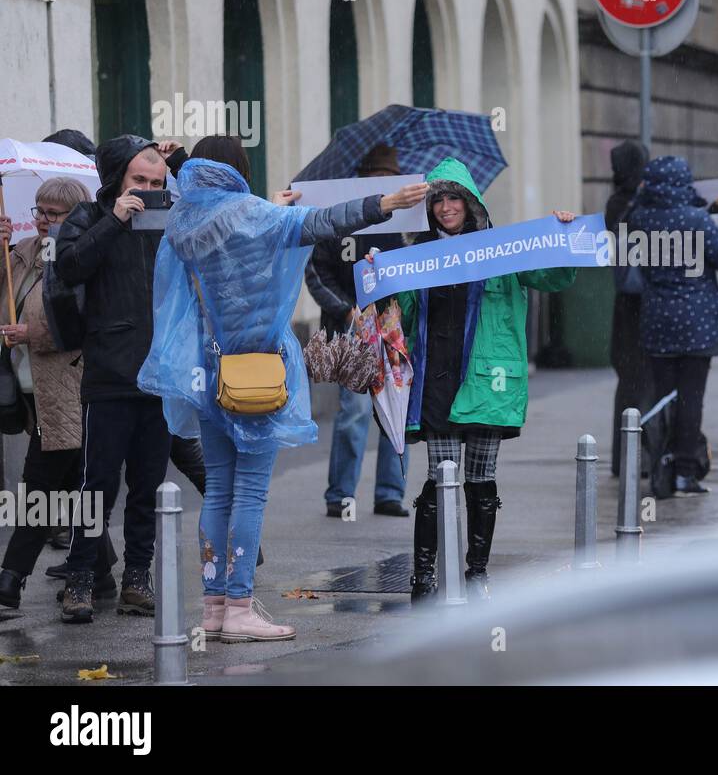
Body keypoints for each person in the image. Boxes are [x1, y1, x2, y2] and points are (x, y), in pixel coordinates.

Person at [139, 135, 427, 642]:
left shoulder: (185, 225)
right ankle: (241, 607)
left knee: (218, 493)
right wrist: (386, 203)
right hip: (258, 376)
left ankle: (213, 607)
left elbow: (225, 222)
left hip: (207, 375)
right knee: (250, 493)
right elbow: (326, 222)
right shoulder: (261, 219)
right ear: (240, 171)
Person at [381, 157, 576, 602]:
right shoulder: (418, 254)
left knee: (481, 478)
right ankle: (424, 576)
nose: (446, 207)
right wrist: (381, 278)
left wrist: (563, 232)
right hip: (436, 384)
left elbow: (554, 275)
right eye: (438, 201)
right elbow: (403, 315)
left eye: (454, 198)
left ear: (471, 204)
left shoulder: (502, 249)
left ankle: (477, 573)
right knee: (439, 477)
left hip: (489, 381)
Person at [53, 134, 190, 623]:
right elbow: (69, 266)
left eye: (157, 181)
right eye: (140, 180)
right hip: (109, 373)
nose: (150, 189)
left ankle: (137, 578)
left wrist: (183, 164)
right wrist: (116, 219)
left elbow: (206, 209)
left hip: (160, 374)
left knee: (149, 486)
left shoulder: (169, 218)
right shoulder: (89, 217)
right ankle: (80, 580)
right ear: (115, 179)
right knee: (98, 484)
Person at [0, 178, 118, 610]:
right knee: (69, 486)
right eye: (39, 211)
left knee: (40, 489)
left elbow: (82, 322)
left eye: (55, 213)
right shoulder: (26, 251)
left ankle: (9, 580)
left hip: (69, 387)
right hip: (32, 393)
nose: (44, 221)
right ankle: (103, 572)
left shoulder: (83, 255)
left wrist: (33, 333)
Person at [628, 156, 718, 498]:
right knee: (691, 398)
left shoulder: (639, 219)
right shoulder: (696, 220)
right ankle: (685, 472)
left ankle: (663, 464)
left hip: (657, 321)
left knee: (664, 396)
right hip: (697, 323)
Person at [305, 144, 410, 518]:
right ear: (362, 179)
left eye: (391, 177)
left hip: (394, 329)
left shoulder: (408, 221)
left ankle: (390, 493)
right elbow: (316, 271)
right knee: (355, 412)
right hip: (352, 330)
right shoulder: (338, 218)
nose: (385, 184)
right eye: (378, 177)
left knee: (396, 412)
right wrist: (346, 310)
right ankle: (340, 495)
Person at [604, 140, 653, 477]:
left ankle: (626, 458)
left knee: (630, 386)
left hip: (626, 309)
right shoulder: (630, 205)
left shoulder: (616, 203)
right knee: (640, 386)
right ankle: (636, 457)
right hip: (640, 308)